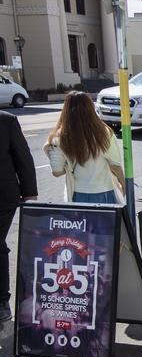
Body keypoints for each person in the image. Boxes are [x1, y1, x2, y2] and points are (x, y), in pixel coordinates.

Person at [44, 91, 125, 204]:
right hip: (105, 192)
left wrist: (68, 166)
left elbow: (57, 172)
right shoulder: (103, 132)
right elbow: (115, 166)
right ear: (91, 108)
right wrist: (123, 185)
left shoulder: (60, 136)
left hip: (78, 194)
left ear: (66, 110)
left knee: (82, 222)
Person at [0, 111, 37, 322]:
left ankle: (2, 302)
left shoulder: (6, 121)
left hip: (3, 198)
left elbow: (22, 156)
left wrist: (29, 193)